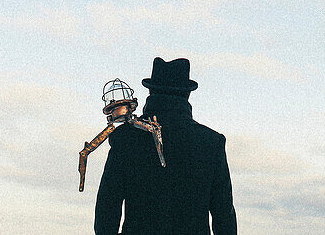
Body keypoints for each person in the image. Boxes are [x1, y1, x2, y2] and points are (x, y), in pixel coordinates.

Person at [95, 57, 237, 235]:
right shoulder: (211, 143)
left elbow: (107, 209)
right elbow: (224, 217)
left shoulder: (125, 138)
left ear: (151, 91)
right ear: (187, 94)